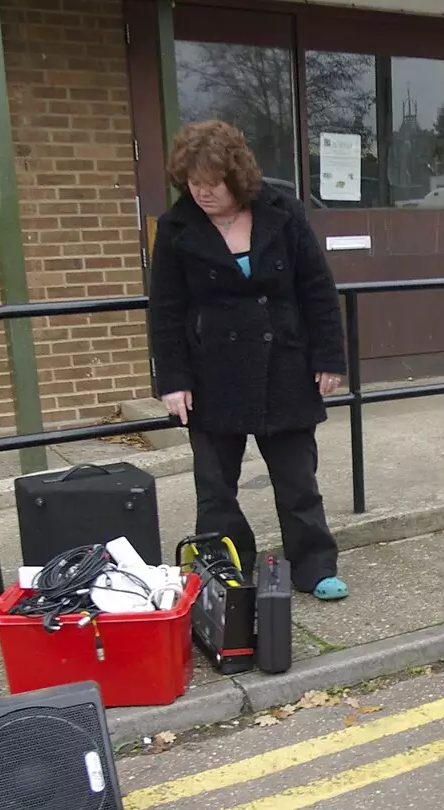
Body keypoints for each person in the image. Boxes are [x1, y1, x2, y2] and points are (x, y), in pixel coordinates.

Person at [147, 120, 349, 601]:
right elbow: (166, 309)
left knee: (298, 481)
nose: (201, 193)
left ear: (235, 178)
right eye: (192, 184)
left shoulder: (282, 211)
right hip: (212, 372)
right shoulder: (176, 227)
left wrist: (329, 358)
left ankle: (314, 567)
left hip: (285, 365)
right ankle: (224, 569)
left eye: (211, 184)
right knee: (215, 488)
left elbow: (317, 288)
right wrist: (173, 380)